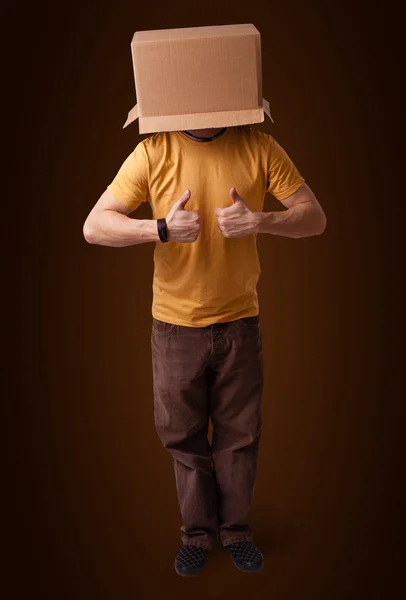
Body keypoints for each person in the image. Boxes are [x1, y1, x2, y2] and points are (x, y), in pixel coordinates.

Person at [83, 124, 327, 577]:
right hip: (175, 326)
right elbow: (94, 226)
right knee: (182, 436)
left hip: (239, 321)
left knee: (240, 435)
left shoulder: (259, 145)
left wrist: (260, 220)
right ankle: (197, 535)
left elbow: (315, 217)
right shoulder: (153, 151)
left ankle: (235, 532)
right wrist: (160, 228)